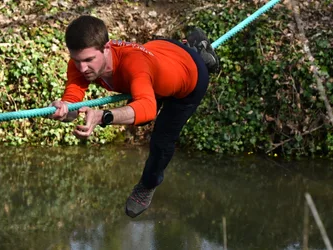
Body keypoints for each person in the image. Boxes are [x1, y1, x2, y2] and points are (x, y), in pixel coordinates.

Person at [49, 15, 219, 218]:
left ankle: (148, 184)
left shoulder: (133, 63)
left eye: (88, 60)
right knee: (141, 115)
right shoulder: (79, 65)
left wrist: (103, 117)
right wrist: (63, 108)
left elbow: (147, 107)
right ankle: (191, 48)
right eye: (77, 61)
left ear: (106, 47)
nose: (82, 68)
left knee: (162, 140)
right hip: (160, 53)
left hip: (189, 78)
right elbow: (73, 103)